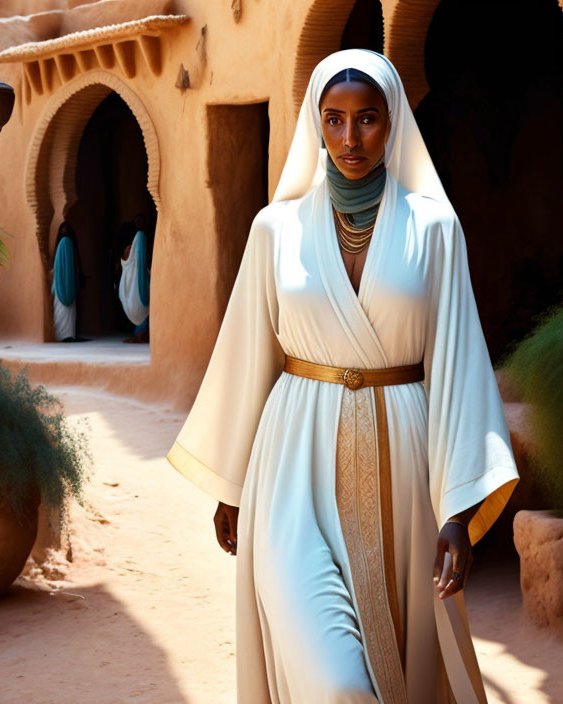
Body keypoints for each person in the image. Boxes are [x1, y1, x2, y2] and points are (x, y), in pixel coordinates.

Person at [166, 49, 519, 704]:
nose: (350, 138)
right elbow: (247, 355)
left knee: (403, 665)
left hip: (405, 466)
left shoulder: (436, 228)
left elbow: (458, 365)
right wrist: (232, 484)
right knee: (336, 685)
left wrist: (458, 513)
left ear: (394, 126)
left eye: (367, 120)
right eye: (334, 120)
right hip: (291, 464)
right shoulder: (274, 230)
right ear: (315, 124)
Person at [118, 214, 150, 343]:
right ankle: (140, 334)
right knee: (141, 305)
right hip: (136, 282)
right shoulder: (138, 240)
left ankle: (140, 334)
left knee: (139, 307)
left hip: (130, 283)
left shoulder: (128, 247)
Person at [50, 222, 84, 342]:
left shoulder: (62, 244)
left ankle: (61, 335)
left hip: (60, 286)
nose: (64, 233)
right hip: (68, 285)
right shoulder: (69, 244)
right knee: (67, 312)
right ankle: (67, 335)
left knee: (61, 311)